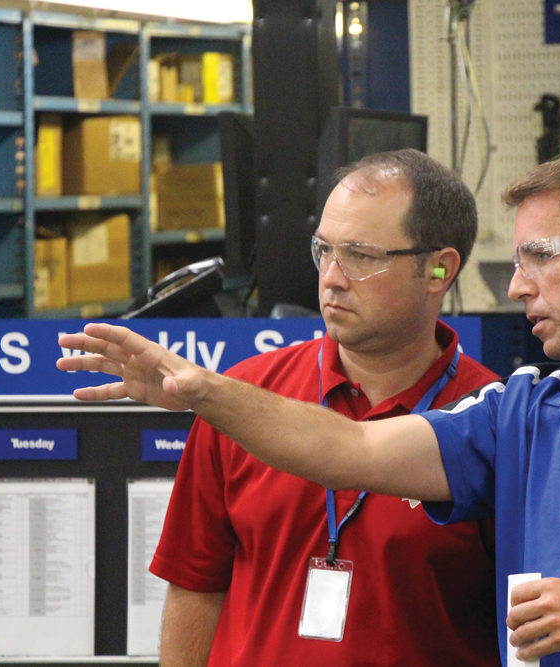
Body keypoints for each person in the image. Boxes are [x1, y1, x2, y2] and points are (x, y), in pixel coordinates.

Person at [59, 141, 560, 667]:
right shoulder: (525, 409)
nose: (517, 284)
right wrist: (201, 389)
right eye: (325, 251)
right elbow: (349, 450)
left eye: (539, 256)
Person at [146, 149, 502, 666]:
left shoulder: (491, 423)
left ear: (439, 270)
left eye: (360, 256)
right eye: (324, 250)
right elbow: (195, 586)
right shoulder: (241, 397)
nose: (331, 277)